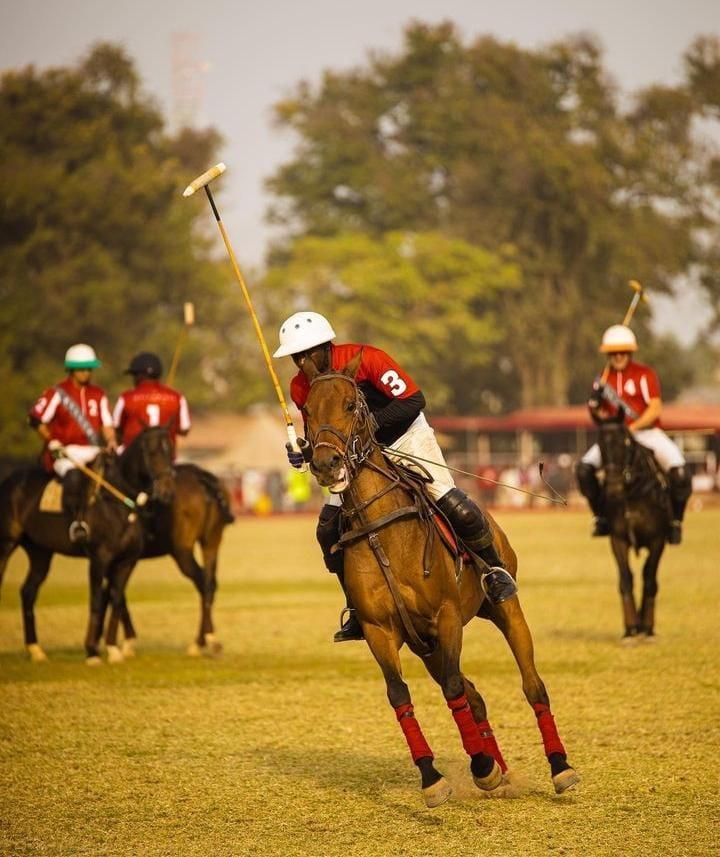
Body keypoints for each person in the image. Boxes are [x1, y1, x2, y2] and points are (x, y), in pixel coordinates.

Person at [274, 311, 517, 642]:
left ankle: (494, 571)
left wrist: (370, 425)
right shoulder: (300, 387)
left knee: (448, 498)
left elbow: (414, 400)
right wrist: (303, 451)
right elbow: (320, 432)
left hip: (406, 437)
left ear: (326, 346)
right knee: (328, 528)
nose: (302, 362)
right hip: (356, 454)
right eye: (295, 356)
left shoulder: (369, 359)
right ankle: (358, 608)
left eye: (307, 353)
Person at [575, 324, 692, 544]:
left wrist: (632, 428)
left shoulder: (644, 374)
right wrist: (595, 403)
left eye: (623, 352)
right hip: (615, 440)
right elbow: (598, 416)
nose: (618, 356)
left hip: (647, 434)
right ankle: (600, 516)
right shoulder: (603, 378)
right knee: (583, 469)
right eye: (614, 352)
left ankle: (676, 521)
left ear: (630, 352)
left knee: (680, 472)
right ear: (608, 354)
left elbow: (655, 408)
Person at [113, 351, 234, 523]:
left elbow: (115, 427)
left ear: (139, 376)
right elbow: (184, 428)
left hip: (133, 469)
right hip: (166, 462)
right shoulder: (176, 397)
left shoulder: (126, 398)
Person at [28, 343, 116, 542]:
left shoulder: (98, 394)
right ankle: (76, 522)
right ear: (71, 369)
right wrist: (51, 442)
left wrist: (111, 441)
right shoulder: (56, 393)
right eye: (82, 368)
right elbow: (35, 419)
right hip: (64, 452)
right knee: (74, 478)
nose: (86, 373)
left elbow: (107, 424)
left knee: (116, 474)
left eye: (89, 368)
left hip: (92, 450)